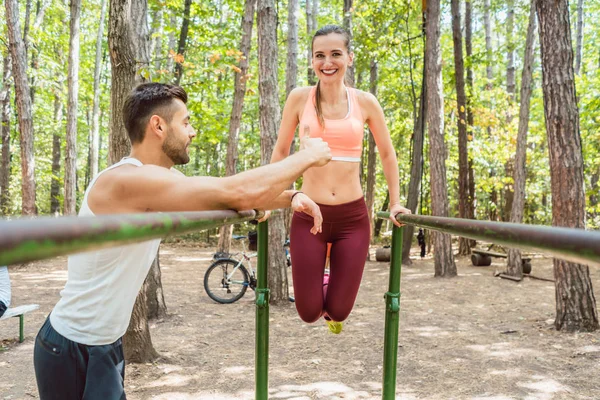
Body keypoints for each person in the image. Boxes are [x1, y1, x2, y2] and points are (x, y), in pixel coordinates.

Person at [33, 82, 332, 400]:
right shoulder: (124, 180)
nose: (192, 132)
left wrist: (291, 197)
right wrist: (307, 157)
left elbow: (233, 196)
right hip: (69, 345)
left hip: (106, 344)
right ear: (158, 125)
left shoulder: (162, 182)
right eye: (186, 122)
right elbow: (237, 192)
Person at [269, 25, 411, 334]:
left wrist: (397, 202)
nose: (327, 62)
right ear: (312, 61)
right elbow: (280, 151)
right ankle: (322, 271)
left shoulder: (365, 102)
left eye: (335, 54)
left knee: (338, 312)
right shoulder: (299, 99)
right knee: (308, 313)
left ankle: (332, 275)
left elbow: (387, 154)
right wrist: (267, 197)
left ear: (349, 57)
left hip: (352, 218)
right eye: (319, 55)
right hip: (309, 215)